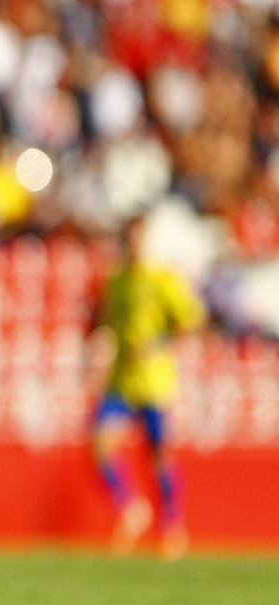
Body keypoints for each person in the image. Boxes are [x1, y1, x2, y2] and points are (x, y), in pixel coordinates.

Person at [92, 216, 205, 559]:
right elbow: (106, 320)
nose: (134, 244)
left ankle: (171, 525)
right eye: (129, 237)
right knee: (100, 442)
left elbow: (192, 320)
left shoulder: (163, 279)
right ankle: (131, 506)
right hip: (121, 379)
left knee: (158, 456)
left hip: (155, 381)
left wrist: (155, 343)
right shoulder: (117, 280)